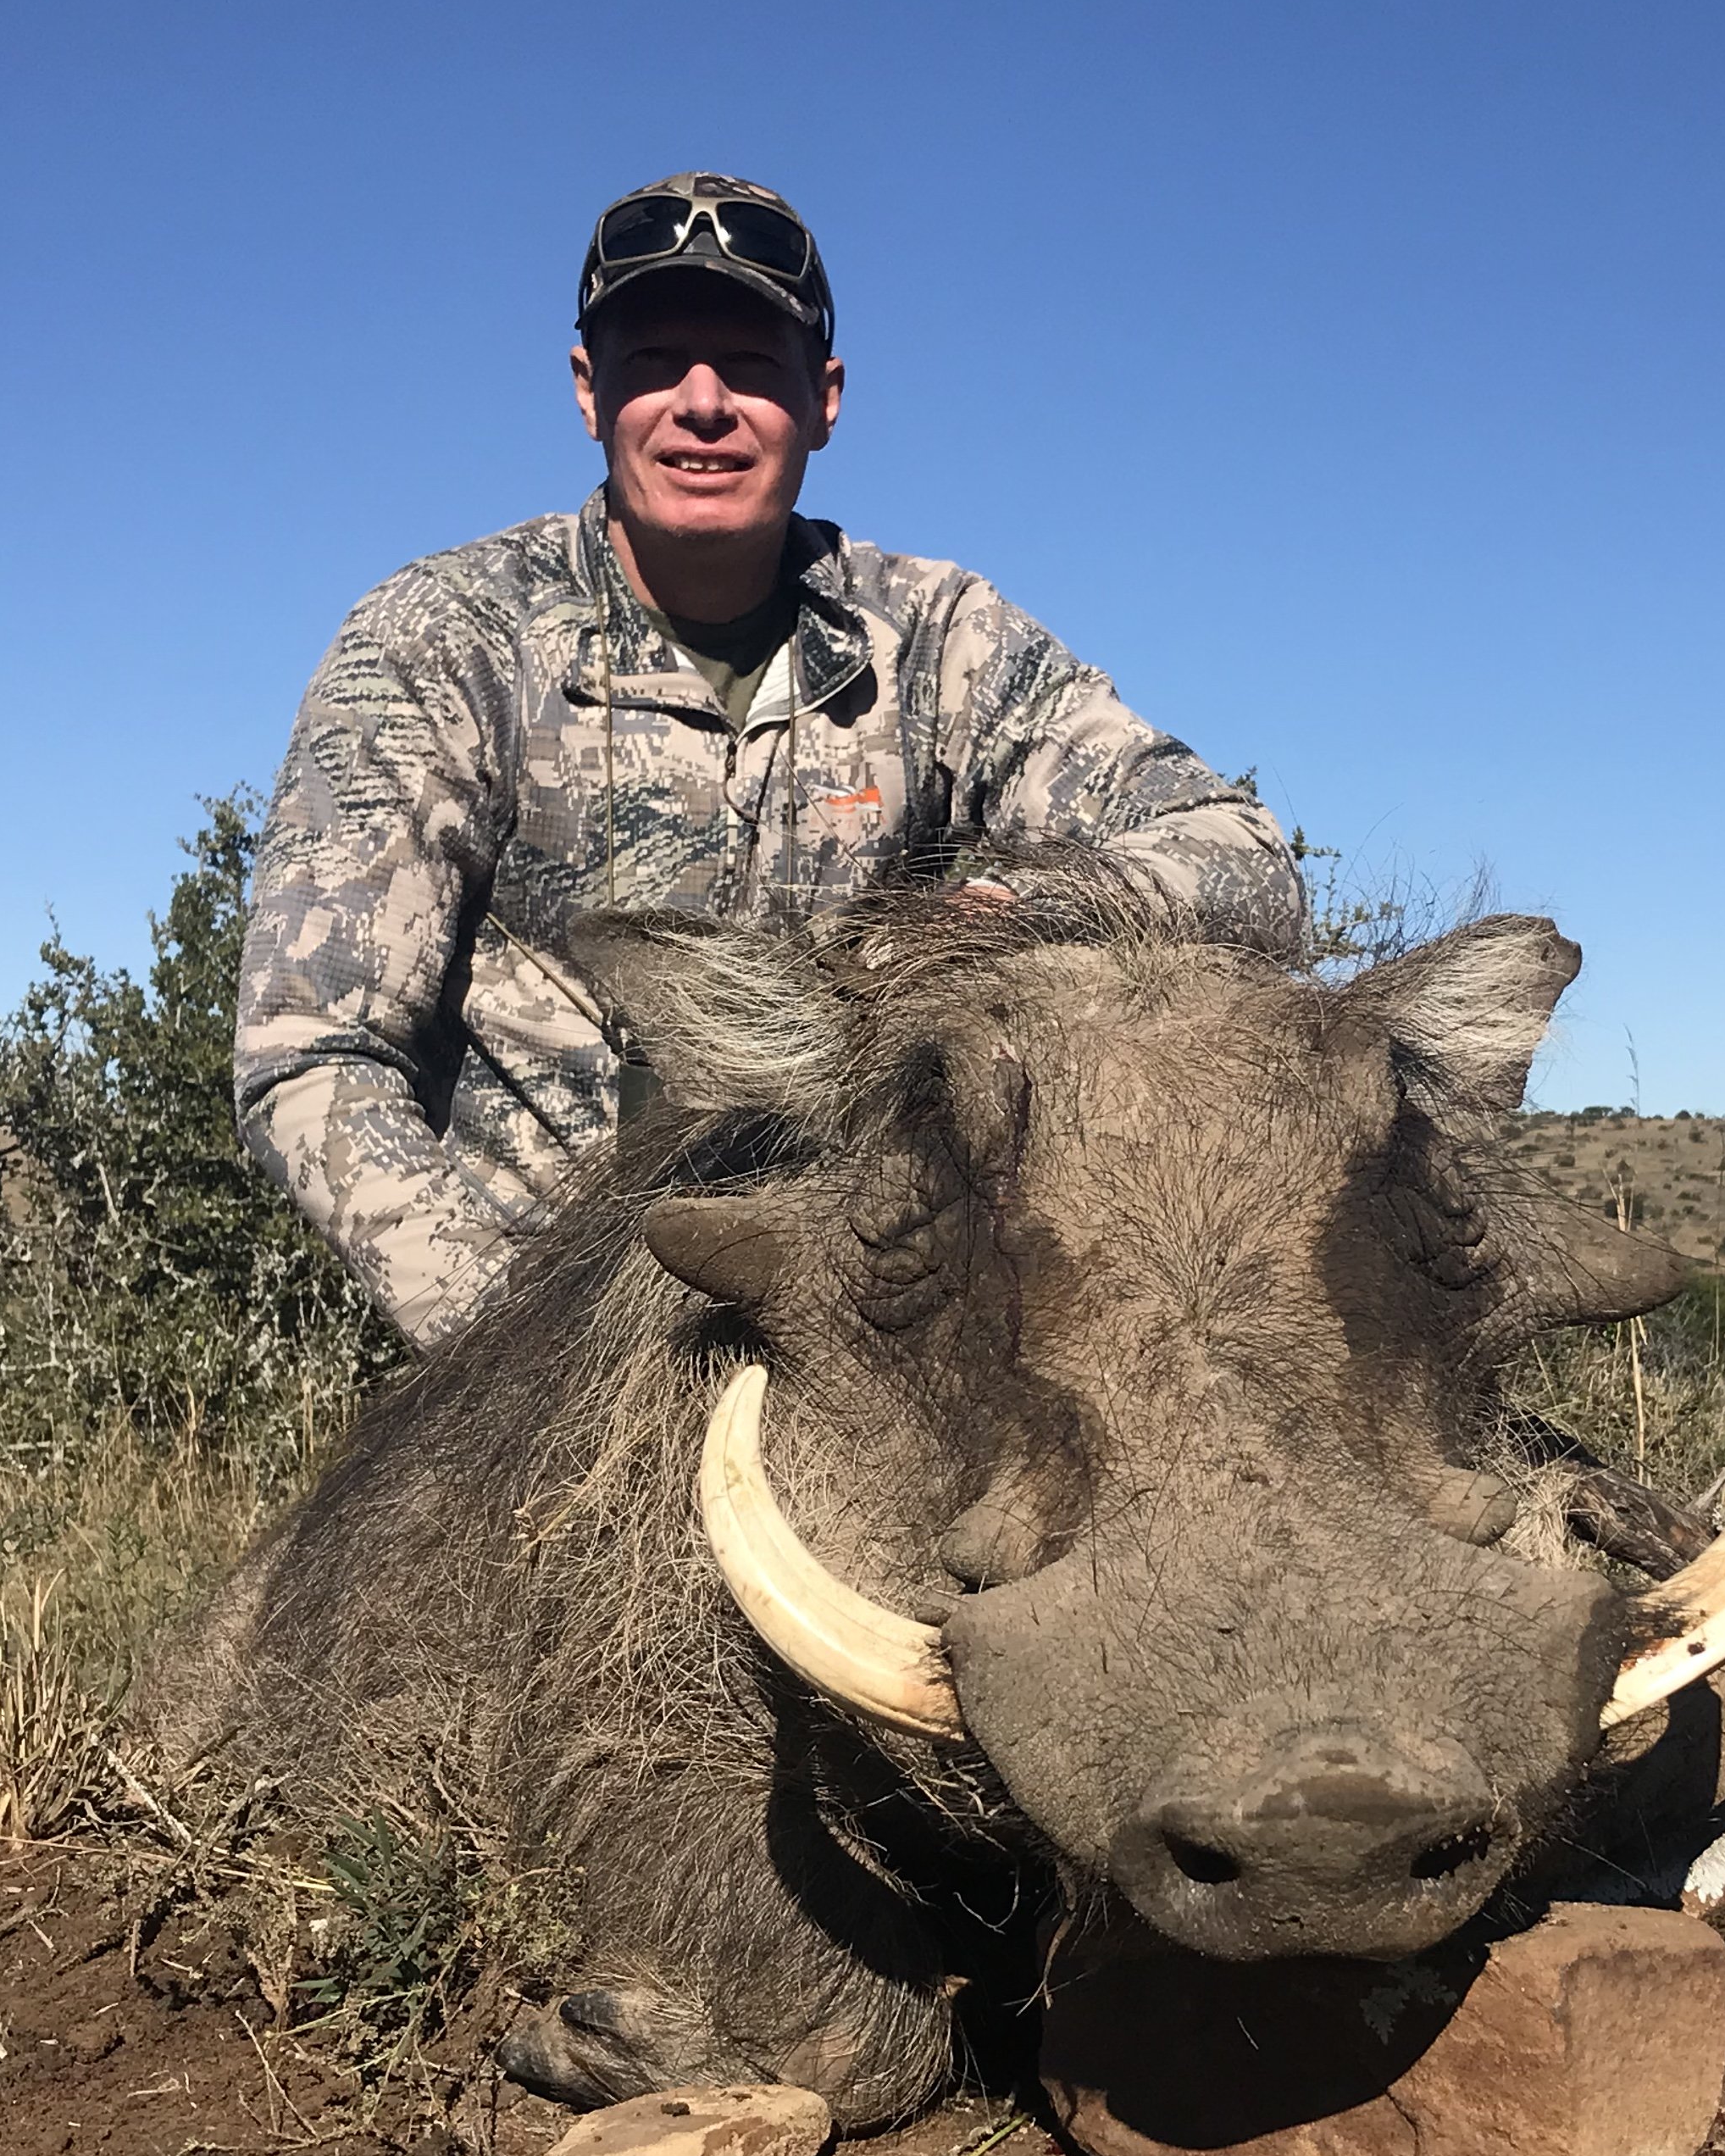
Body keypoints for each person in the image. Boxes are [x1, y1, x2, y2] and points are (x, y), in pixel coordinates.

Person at [235, 175, 1303, 1350]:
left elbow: (1241, 859)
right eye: (657, 360)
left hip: (877, 1341)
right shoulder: (445, 637)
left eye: (750, 363)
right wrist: (528, 1357)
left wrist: (1006, 913)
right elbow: (315, 1056)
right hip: (530, 1359)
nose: (703, 405)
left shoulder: (940, 636)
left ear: (824, 399)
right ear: (591, 392)